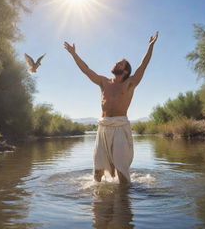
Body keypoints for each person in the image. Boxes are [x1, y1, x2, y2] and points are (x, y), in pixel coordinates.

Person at [64, 31, 158, 184]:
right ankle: (99, 200)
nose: (116, 64)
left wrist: (150, 46)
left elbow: (143, 65)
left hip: (120, 126)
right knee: (97, 170)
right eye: (116, 62)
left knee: (121, 169)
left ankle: (124, 200)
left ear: (126, 70)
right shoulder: (103, 81)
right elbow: (86, 70)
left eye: (120, 64)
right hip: (103, 127)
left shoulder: (130, 83)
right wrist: (74, 54)